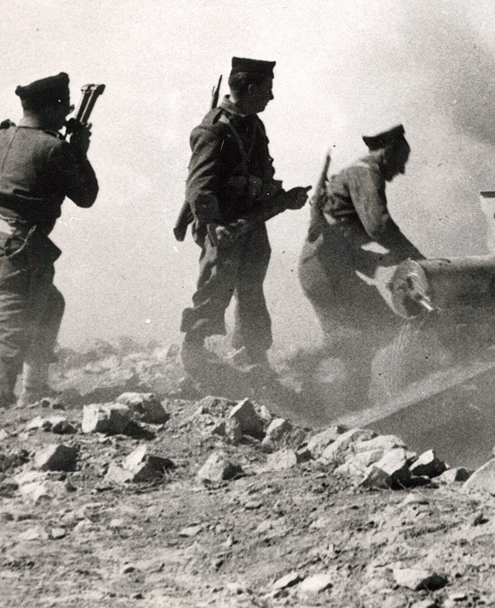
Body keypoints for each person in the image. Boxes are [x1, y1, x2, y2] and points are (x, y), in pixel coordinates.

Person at [179, 58, 308, 391]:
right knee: (216, 286)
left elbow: (261, 173)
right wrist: (212, 226)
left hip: (251, 222)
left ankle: (254, 358)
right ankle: (194, 354)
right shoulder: (215, 129)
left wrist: (282, 198)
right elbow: (199, 186)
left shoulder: (253, 126)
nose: (272, 97)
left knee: (252, 288)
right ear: (251, 89)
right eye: (268, 90)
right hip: (222, 226)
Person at [0, 73, 98, 406]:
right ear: (53, 107)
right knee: (9, 335)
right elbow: (86, 197)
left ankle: (33, 390)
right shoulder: (53, 148)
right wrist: (80, 153)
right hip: (16, 252)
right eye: (65, 106)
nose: (68, 112)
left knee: (49, 305)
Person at [298, 124, 424, 412]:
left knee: (351, 344)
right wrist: (415, 256)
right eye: (401, 162)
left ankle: (347, 405)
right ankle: (302, 365)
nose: (401, 171)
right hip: (327, 270)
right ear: (388, 152)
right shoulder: (367, 174)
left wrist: (384, 261)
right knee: (384, 329)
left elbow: (344, 237)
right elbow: (378, 225)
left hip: (320, 268)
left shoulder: (351, 173)